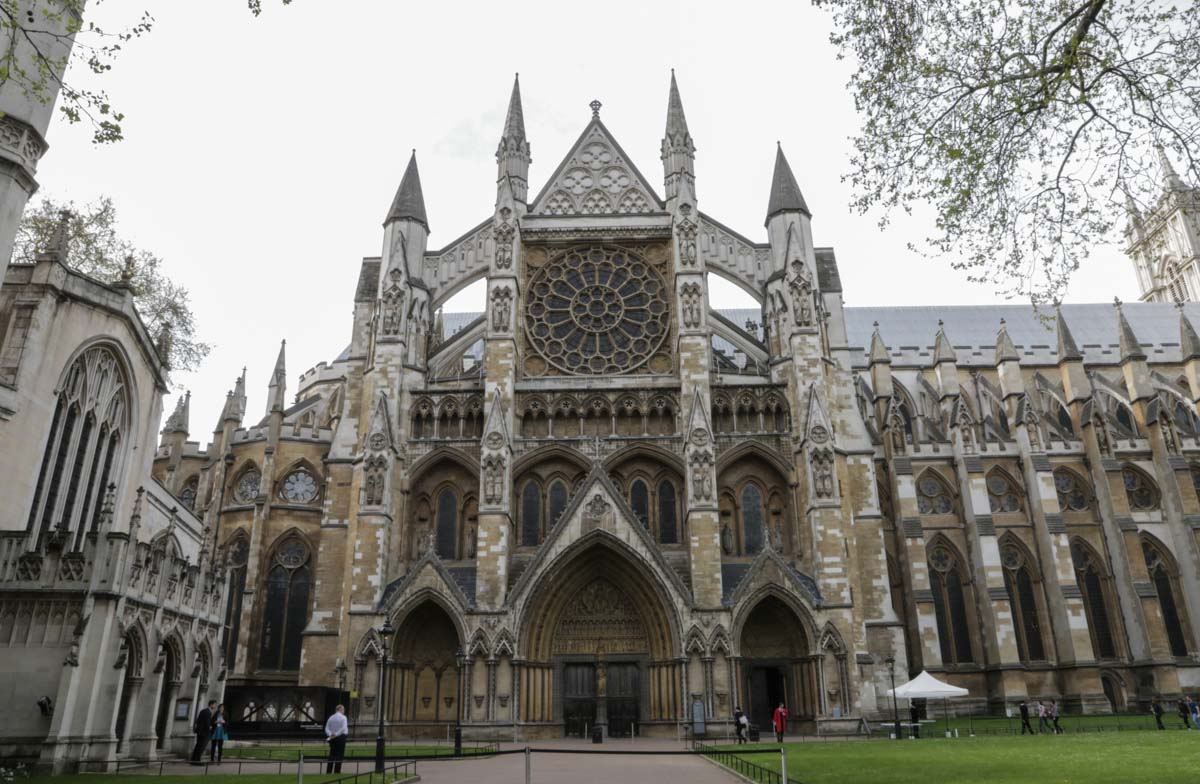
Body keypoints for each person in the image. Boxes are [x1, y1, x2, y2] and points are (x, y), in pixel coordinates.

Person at [325, 704, 349, 774]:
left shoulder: (331, 717)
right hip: (341, 737)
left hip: (332, 738)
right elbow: (343, 728)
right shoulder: (343, 717)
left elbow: (326, 728)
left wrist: (330, 735)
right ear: (340, 710)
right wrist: (336, 734)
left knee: (332, 755)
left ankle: (329, 771)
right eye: (343, 709)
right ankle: (337, 771)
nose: (344, 711)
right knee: (339, 755)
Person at [191, 700, 216, 764]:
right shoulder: (208, 712)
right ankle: (197, 760)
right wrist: (210, 728)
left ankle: (193, 759)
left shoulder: (203, 711)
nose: (215, 706)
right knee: (201, 746)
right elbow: (207, 723)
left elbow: (198, 720)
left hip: (200, 731)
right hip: (204, 732)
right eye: (214, 704)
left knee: (198, 746)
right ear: (211, 705)